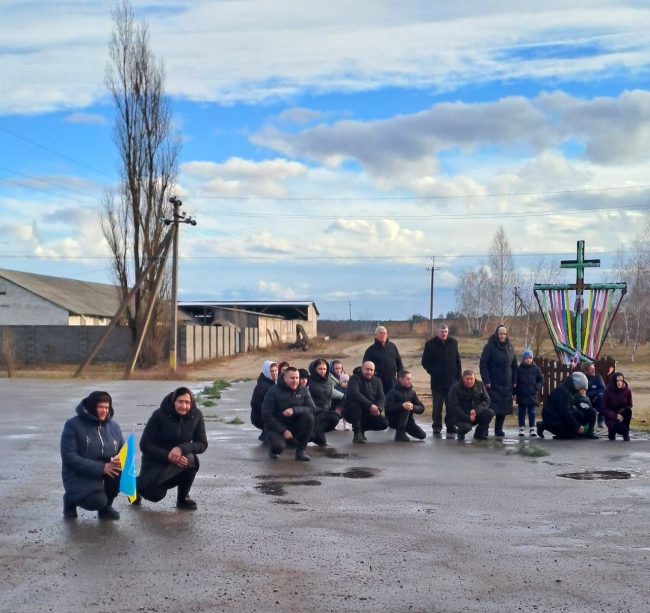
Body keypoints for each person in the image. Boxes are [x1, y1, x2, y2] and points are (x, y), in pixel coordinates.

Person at [138, 387, 208, 510]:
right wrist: (169, 456)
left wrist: (182, 448)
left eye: (187, 402)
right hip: (156, 463)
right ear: (173, 401)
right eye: (180, 401)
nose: (184, 406)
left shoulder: (196, 415)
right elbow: (144, 444)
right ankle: (136, 486)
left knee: (191, 459)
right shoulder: (159, 415)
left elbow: (202, 444)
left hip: (178, 462)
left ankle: (182, 499)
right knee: (155, 495)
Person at [60, 391, 124, 520]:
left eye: (107, 407)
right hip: (78, 473)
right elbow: (69, 458)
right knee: (96, 501)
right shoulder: (73, 425)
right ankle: (70, 499)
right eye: (100, 407)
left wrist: (120, 460)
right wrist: (101, 468)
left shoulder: (114, 427)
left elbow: (122, 451)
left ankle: (106, 508)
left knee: (120, 472)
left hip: (105, 471)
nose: (104, 411)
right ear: (91, 407)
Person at [262, 367, 316, 461]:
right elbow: (266, 415)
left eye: (297, 378)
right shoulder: (273, 391)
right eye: (292, 378)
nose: (295, 381)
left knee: (309, 417)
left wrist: (294, 410)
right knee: (278, 447)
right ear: (284, 378)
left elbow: (311, 408)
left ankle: (301, 451)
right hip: (277, 427)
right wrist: (283, 431)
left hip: (294, 425)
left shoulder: (303, 390)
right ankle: (273, 449)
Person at [421, 323, 462, 436]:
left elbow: (457, 360)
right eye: (441, 332)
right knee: (437, 406)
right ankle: (437, 426)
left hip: (452, 381)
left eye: (445, 332)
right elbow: (425, 362)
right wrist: (434, 372)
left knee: (451, 406)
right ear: (437, 332)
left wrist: (459, 377)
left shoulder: (453, 343)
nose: (444, 334)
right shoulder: (430, 344)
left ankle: (451, 426)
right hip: (437, 382)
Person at [479, 325, 517, 437]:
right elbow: (483, 364)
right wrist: (486, 380)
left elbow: (514, 365)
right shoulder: (489, 347)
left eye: (504, 334)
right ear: (496, 334)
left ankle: (498, 429)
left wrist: (514, 380)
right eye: (501, 334)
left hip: (507, 383)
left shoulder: (510, 347)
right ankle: (484, 429)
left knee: (503, 408)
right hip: (492, 383)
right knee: (490, 408)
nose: (503, 336)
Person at [536, 372, 598, 440]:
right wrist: (577, 425)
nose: (581, 390)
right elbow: (565, 412)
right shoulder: (563, 393)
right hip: (553, 418)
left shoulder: (571, 391)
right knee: (570, 435)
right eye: (580, 388)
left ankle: (587, 432)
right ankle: (543, 425)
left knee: (585, 413)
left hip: (561, 415)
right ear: (576, 385)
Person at [343, 361, 389, 444]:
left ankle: (362, 429)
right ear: (362, 369)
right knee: (355, 405)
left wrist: (378, 408)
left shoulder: (377, 380)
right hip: (351, 410)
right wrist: (370, 405)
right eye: (367, 369)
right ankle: (357, 433)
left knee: (384, 423)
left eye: (371, 370)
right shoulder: (354, 378)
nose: (369, 372)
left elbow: (381, 397)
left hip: (369, 411)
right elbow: (354, 393)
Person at [447, 370, 494, 441]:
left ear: (475, 378)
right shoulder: (455, 388)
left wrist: (476, 411)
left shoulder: (480, 385)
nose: (469, 381)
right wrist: (468, 417)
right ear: (463, 378)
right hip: (461, 416)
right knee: (466, 427)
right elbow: (454, 407)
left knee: (490, 412)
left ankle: (479, 434)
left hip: (475, 414)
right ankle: (461, 433)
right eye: (467, 379)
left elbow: (486, 400)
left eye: (471, 379)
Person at [385, 370, 426, 442]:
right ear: (400, 379)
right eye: (407, 379)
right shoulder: (392, 392)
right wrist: (401, 406)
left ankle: (404, 430)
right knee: (406, 406)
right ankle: (400, 434)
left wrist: (413, 407)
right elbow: (388, 409)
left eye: (410, 379)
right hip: (393, 420)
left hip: (408, 421)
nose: (410, 381)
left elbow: (421, 408)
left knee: (422, 435)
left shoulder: (412, 392)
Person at [308, 359, 342, 445]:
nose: (323, 371)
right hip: (313, 412)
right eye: (320, 369)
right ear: (314, 369)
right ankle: (307, 434)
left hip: (324, 410)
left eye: (324, 369)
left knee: (335, 417)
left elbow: (331, 394)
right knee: (317, 439)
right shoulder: (309, 381)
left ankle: (314, 433)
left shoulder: (328, 380)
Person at [362, 326, 404, 395]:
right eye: (380, 333)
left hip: (392, 381)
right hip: (377, 382)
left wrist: (401, 376)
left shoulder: (392, 346)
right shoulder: (370, 350)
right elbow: (364, 366)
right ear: (376, 335)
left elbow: (399, 363)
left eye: (384, 333)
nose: (383, 335)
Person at [515, 349, 543, 437]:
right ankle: (521, 428)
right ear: (523, 359)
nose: (528, 360)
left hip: (532, 394)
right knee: (521, 412)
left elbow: (541, 380)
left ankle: (532, 428)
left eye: (530, 358)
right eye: (526, 358)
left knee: (532, 412)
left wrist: (536, 387)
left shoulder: (536, 369)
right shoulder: (519, 369)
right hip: (521, 394)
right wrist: (515, 393)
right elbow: (516, 381)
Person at [602, 372, 633, 441]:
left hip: (622, 413)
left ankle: (626, 433)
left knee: (628, 410)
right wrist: (615, 416)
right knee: (622, 429)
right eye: (617, 381)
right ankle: (612, 431)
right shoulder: (607, 391)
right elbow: (604, 408)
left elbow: (630, 405)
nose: (619, 383)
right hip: (610, 416)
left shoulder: (627, 390)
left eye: (621, 381)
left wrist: (621, 413)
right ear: (614, 381)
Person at [250, 360, 278, 437]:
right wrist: (268, 412)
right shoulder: (261, 386)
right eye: (271, 371)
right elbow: (255, 403)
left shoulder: (272, 383)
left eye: (275, 370)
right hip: (259, 417)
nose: (274, 373)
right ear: (266, 371)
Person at [329, 359, 351, 430]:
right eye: (336, 368)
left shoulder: (345, 376)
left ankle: (346, 424)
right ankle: (335, 424)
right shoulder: (329, 377)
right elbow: (330, 390)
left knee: (345, 412)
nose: (338, 370)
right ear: (332, 368)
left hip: (344, 401)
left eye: (340, 368)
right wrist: (343, 395)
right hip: (334, 400)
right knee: (337, 412)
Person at [583, 362, 606, 428]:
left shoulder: (598, 377)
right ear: (585, 371)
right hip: (585, 401)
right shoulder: (583, 378)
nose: (594, 370)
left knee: (601, 396)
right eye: (591, 369)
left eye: (594, 368)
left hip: (596, 401)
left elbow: (603, 389)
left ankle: (601, 420)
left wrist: (591, 394)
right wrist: (588, 396)